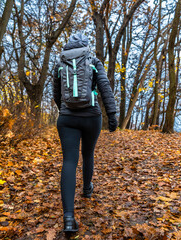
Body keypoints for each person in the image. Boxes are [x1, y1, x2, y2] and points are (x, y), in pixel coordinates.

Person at [53, 32, 118, 233]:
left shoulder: (59, 62)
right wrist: (112, 114)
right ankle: (87, 189)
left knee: (69, 161)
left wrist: (63, 109)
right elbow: (104, 87)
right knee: (88, 154)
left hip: (67, 117)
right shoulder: (93, 60)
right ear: (86, 45)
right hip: (91, 117)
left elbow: (55, 92)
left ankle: (69, 219)